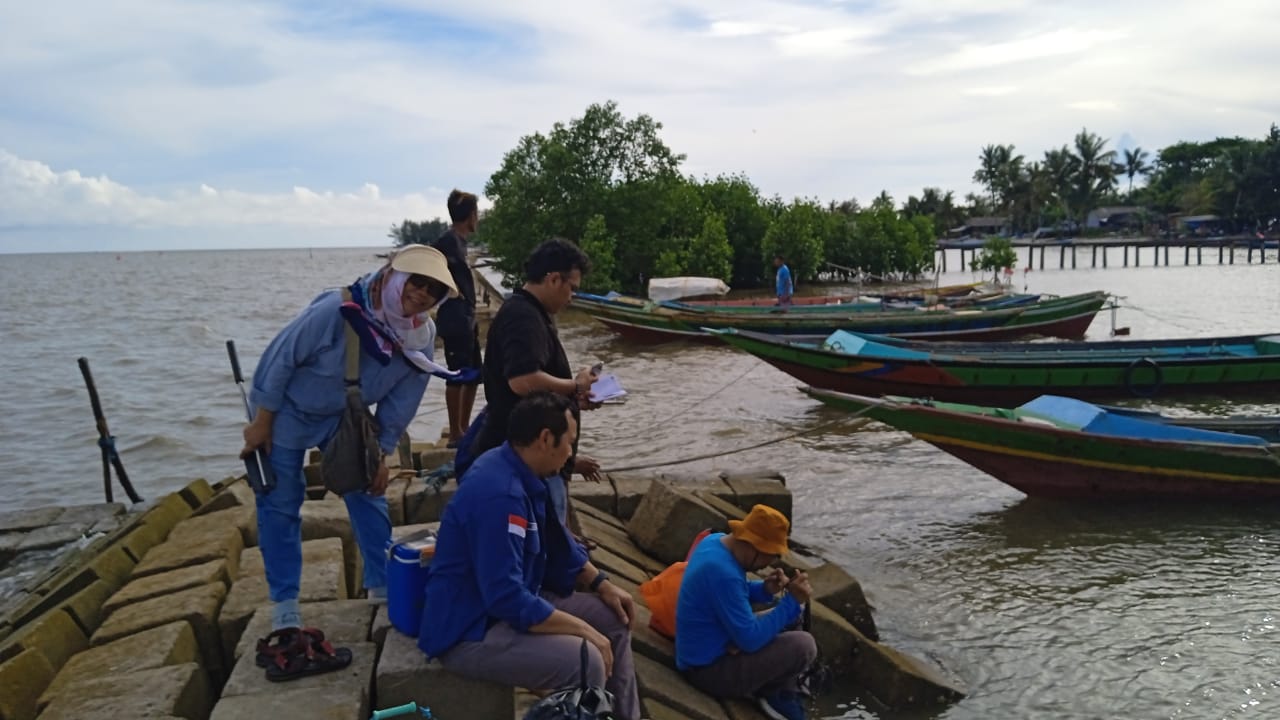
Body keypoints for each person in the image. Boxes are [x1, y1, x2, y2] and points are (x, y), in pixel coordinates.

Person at [240, 245, 457, 679]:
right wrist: (261, 423)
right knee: (280, 504)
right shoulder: (335, 310)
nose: (421, 294)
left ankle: (381, 585)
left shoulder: (420, 336)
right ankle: (285, 605)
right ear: (392, 275)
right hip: (287, 410)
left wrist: (383, 451)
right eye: (416, 281)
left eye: (433, 291)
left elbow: (403, 399)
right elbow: (280, 359)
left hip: (344, 416)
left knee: (369, 491)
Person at [419, 392, 641, 720]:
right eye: (570, 443)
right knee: (587, 659)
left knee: (614, 618)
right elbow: (505, 597)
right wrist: (583, 630)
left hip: (516, 599)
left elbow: (558, 541)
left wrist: (601, 583)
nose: (571, 454)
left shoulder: (521, 470)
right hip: (472, 627)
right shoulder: (500, 496)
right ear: (545, 439)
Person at [466, 237, 602, 527]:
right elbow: (523, 381)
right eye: (572, 288)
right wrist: (576, 386)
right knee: (542, 541)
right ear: (554, 280)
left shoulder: (531, 312)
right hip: (527, 462)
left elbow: (532, 389)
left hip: (538, 458)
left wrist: (573, 398)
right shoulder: (523, 317)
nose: (572, 297)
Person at [676, 504, 818, 720]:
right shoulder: (723, 573)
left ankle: (783, 686)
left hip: (706, 647)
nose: (770, 564)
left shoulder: (715, 542)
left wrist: (764, 589)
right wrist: (792, 601)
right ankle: (774, 694)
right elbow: (750, 640)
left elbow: (731, 593)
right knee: (804, 645)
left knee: (793, 616)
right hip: (707, 670)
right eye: (771, 556)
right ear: (754, 547)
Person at [430, 190, 482, 448]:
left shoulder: (460, 242)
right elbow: (431, 265)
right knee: (457, 374)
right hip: (454, 316)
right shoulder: (448, 240)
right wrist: (450, 290)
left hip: (468, 316)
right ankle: (455, 433)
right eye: (477, 213)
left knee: (474, 373)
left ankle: (464, 426)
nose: (478, 218)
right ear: (470, 215)